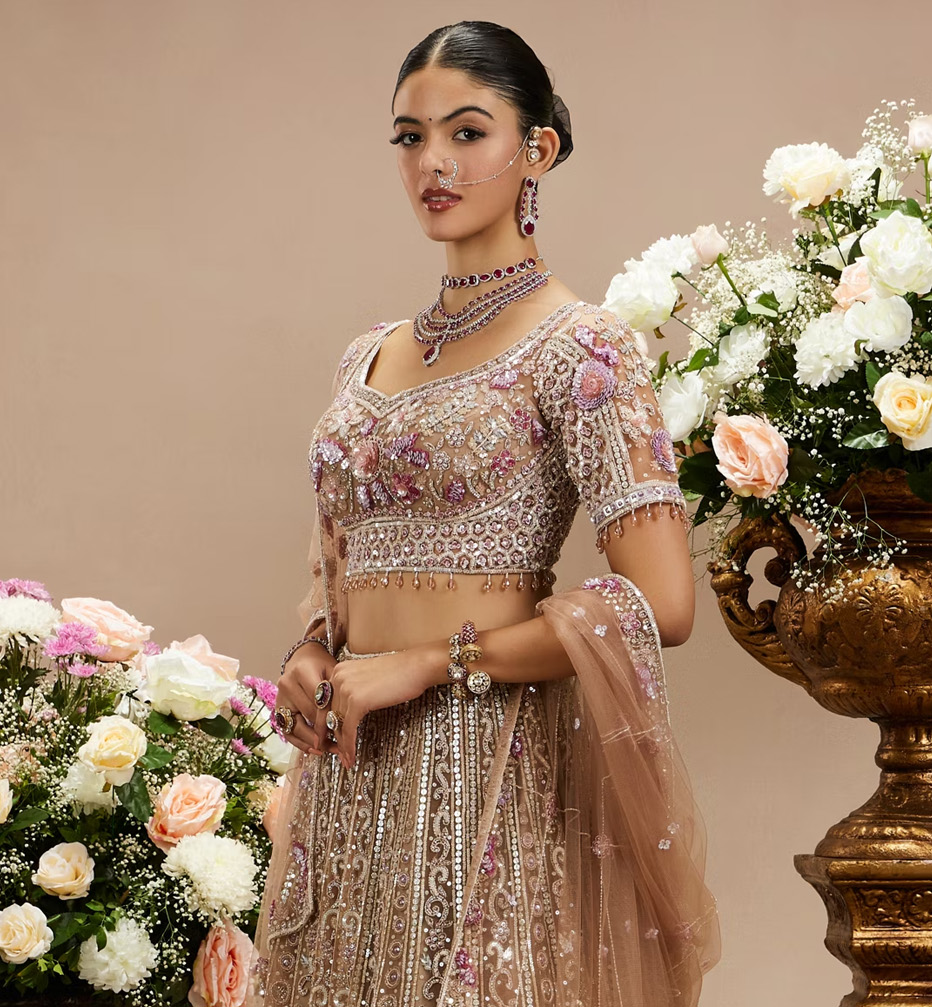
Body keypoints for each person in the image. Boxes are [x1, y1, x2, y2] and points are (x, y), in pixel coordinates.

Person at [254, 21, 720, 1007]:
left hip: (484, 769)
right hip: (347, 773)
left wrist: (427, 663)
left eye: (467, 132)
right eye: (408, 136)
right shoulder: (365, 354)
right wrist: (311, 648)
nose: (432, 161)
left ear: (535, 149)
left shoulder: (580, 347)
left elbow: (658, 605)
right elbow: (338, 555)